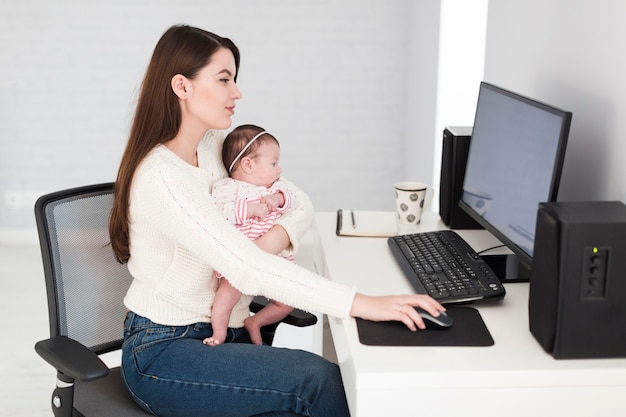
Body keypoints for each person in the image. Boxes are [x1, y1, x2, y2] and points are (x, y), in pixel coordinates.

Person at [109, 24, 446, 417]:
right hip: (163, 350)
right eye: (224, 80)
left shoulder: (216, 148)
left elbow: (299, 202)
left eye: (234, 79)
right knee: (315, 382)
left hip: (224, 333)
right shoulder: (163, 177)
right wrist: (360, 303)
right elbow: (246, 268)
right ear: (182, 87)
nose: (237, 92)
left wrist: (270, 240)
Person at [205, 124, 296, 347]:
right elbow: (219, 212)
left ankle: (255, 322)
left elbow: (292, 200)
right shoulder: (228, 187)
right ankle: (219, 333)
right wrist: (250, 209)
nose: (279, 169)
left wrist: (277, 200)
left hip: (271, 260)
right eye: (273, 163)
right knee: (226, 296)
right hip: (239, 262)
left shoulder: (274, 188)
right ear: (248, 164)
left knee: (288, 300)